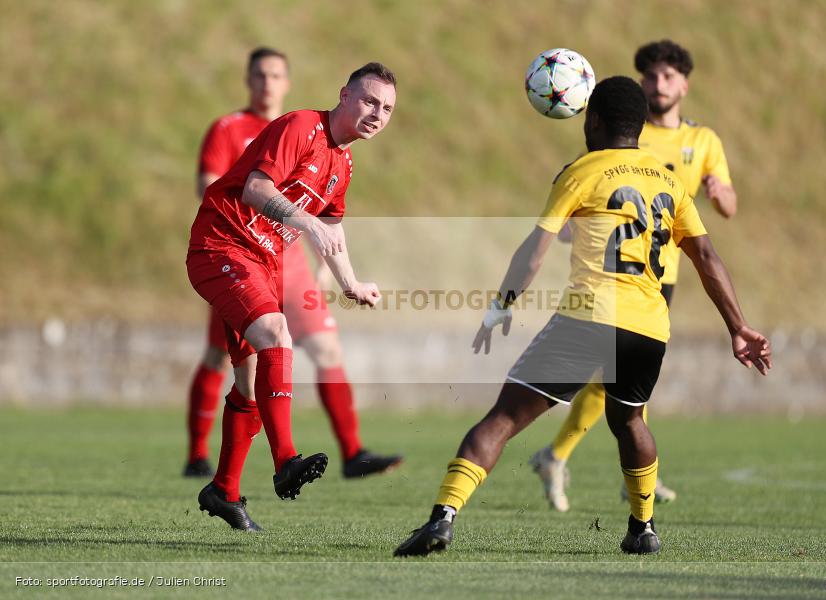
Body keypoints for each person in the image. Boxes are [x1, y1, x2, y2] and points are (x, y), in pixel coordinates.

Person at [394, 76, 770, 556]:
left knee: (504, 418)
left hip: (587, 316)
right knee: (630, 423)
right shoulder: (669, 181)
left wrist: (500, 306)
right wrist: (738, 327)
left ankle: (441, 519)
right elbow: (707, 258)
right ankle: (643, 527)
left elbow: (534, 252)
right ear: (639, 126)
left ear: (591, 120)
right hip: (648, 326)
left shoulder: (581, 172)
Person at [186, 61, 398, 532]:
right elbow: (257, 187)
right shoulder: (303, 125)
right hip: (222, 245)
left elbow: (334, 227)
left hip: (261, 263)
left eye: (386, 108)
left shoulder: (343, 163)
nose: (377, 113)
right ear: (344, 95)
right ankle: (285, 461)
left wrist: (350, 283)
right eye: (368, 100)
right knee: (275, 333)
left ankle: (223, 489)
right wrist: (305, 222)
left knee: (249, 382)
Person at [529, 39, 738, 511]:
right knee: (614, 382)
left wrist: (719, 190)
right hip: (610, 274)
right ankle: (586, 464)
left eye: (666, 77)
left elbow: (726, 207)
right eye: (649, 77)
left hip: (662, 277)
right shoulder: (627, 133)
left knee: (621, 385)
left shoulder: (702, 143)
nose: (657, 85)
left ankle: (571, 460)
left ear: (684, 84)